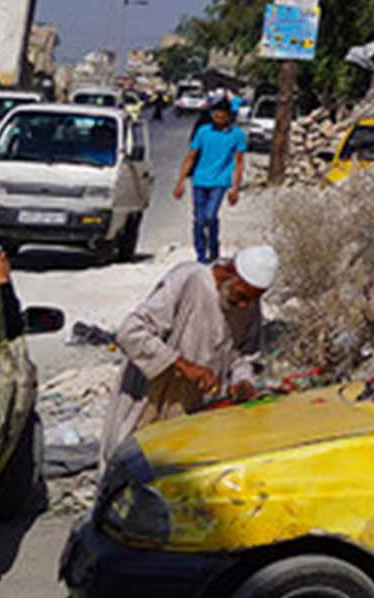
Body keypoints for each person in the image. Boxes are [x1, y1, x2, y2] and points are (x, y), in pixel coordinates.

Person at [99, 246, 275, 471]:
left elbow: (245, 355)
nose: (244, 306)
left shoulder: (249, 305)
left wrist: (242, 381)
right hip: (150, 397)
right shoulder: (189, 279)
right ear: (230, 272)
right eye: (241, 297)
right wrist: (182, 365)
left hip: (192, 410)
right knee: (127, 469)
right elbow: (131, 332)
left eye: (250, 300)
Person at [172, 96, 246, 264]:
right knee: (199, 220)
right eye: (215, 115)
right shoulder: (203, 131)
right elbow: (191, 156)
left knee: (210, 216)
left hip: (220, 182)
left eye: (221, 116)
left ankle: (213, 247)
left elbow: (239, 162)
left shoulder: (237, 135)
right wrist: (180, 182)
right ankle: (200, 255)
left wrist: (235, 188)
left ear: (228, 116)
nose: (218, 119)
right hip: (199, 180)